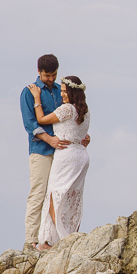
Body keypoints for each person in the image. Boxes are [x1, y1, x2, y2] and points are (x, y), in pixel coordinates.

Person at [20, 55, 89, 249]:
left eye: (54, 75)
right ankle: (31, 240)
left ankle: (57, 238)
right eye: (48, 75)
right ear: (39, 72)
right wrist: (49, 139)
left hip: (64, 153)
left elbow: (72, 116)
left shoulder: (62, 90)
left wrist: (81, 136)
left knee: (61, 194)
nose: (51, 79)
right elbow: (30, 123)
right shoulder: (28, 93)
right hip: (42, 150)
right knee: (39, 193)